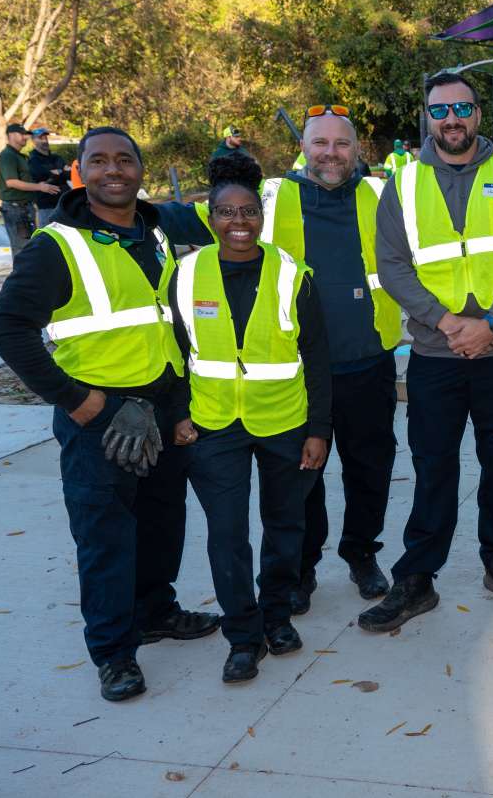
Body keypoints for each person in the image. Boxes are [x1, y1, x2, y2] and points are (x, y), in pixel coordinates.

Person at [0, 126, 220, 703]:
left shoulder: (155, 232)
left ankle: (156, 611)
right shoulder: (57, 246)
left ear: (140, 169)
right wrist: (83, 403)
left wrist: (182, 405)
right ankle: (114, 653)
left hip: (164, 408)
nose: (113, 169)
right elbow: (7, 330)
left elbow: (171, 323)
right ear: (80, 172)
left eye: (125, 159)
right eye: (99, 160)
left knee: (164, 524)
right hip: (100, 418)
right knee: (105, 536)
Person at [156, 106, 403, 613]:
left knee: (369, 469)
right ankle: (300, 570)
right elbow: (193, 215)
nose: (330, 153)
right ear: (303, 149)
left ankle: (361, 553)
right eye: (320, 143)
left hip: (367, 361)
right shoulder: (269, 196)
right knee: (301, 483)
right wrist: (100, 208)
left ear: (357, 150)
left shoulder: (383, 195)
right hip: (294, 375)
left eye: (341, 143)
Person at [362, 72, 493, 632]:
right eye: (440, 110)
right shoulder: (403, 182)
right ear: (428, 117)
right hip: (435, 355)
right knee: (433, 467)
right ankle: (417, 580)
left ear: (478, 114)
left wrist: (490, 323)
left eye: (462, 108)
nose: (452, 119)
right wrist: (446, 322)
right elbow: (392, 265)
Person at [169, 153, 331, 684]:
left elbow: (317, 358)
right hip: (213, 425)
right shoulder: (186, 273)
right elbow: (172, 352)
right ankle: (243, 634)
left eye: (248, 213)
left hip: (284, 421)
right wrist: (178, 415)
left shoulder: (292, 274)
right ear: (210, 216)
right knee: (227, 533)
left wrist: (318, 430)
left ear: (261, 216)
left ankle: (278, 615)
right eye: (226, 213)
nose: (239, 224)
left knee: (285, 524)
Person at [0, 122, 56, 253]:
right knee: (22, 249)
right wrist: (39, 187)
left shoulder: (20, 156)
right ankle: (22, 274)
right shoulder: (8, 156)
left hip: (25, 208)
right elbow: (11, 182)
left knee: (29, 247)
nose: (25, 137)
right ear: (11, 135)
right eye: (22, 134)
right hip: (15, 209)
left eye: (26, 135)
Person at [27, 127, 70, 228]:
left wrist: (56, 173)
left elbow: (68, 174)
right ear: (33, 141)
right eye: (40, 138)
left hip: (63, 205)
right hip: (47, 207)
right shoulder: (33, 160)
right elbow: (40, 175)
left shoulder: (56, 157)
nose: (44, 140)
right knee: (48, 238)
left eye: (46, 138)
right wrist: (60, 172)